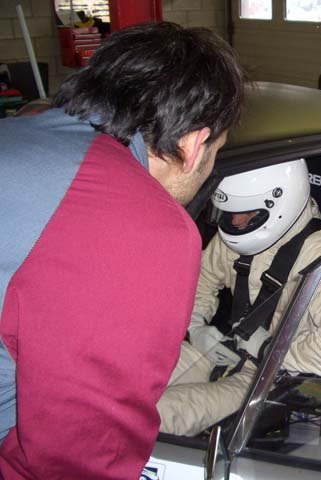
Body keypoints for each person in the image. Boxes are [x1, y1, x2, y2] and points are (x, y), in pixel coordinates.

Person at [0, 22, 245, 479]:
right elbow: (80, 455)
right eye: (218, 150)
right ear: (194, 146)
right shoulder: (140, 224)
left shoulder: (16, 137)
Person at [157, 159, 321, 436]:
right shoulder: (236, 231)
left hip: (270, 375)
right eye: (230, 213)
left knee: (162, 415)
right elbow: (204, 278)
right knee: (127, 379)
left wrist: (268, 349)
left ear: (279, 205)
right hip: (224, 347)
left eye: (246, 213)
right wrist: (196, 326)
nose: (236, 221)